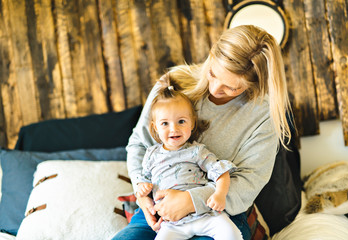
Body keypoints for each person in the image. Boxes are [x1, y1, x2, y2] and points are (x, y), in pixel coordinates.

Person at [112, 24, 293, 240]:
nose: (215, 89)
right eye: (213, 74)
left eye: (231, 88)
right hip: (161, 211)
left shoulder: (263, 114)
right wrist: (143, 197)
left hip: (219, 213)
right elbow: (139, 144)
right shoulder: (173, 84)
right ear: (211, 54)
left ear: (254, 84)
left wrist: (190, 200)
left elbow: (249, 181)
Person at [136, 81, 243, 240]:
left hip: (205, 214)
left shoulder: (197, 151)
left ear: (192, 123)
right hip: (172, 222)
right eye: (165, 123)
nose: (174, 129)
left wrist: (220, 194)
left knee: (231, 233)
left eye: (181, 121)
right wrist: (143, 189)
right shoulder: (151, 155)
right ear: (155, 127)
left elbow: (220, 172)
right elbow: (142, 180)